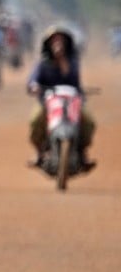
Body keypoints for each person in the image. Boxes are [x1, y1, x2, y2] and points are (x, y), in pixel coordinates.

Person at [26, 26, 95, 168]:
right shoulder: (43, 64)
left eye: (60, 41)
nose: (57, 44)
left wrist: (62, 60)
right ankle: (39, 153)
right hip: (48, 103)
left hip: (72, 102)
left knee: (88, 121)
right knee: (35, 120)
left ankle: (82, 153)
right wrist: (34, 86)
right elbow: (33, 79)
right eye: (54, 41)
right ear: (49, 44)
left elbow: (73, 79)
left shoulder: (72, 62)